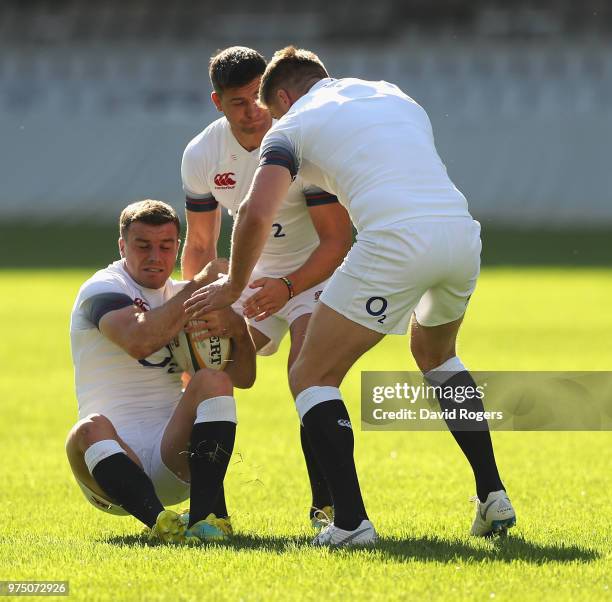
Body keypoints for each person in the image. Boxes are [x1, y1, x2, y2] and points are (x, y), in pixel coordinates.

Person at [184, 47, 517, 546]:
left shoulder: (293, 124)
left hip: (395, 242)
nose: (268, 120)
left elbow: (253, 213)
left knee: (311, 374)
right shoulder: (392, 94)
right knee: (436, 354)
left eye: (271, 109)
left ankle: (349, 523)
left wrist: (232, 285)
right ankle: (493, 496)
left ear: (283, 97)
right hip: (461, 235)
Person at [180, 46, 352, 528]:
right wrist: (190, 311)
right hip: (248, 279)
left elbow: (336, 241)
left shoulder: (296, 139)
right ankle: (210, 515)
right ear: (218, 103)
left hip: (311, 275)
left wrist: (288, 285)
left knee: (309, 373)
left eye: (259, 97)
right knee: (206, 368)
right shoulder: (202, 154)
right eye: (239, 102)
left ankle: (329, 510)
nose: (254, 111)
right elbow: (199, 244)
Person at [66, 200, 256, 544]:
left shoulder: (183, 295)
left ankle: (205, 520)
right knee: (89, 428)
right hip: (108, 473)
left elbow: (243, 378)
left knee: (213, 380)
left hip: (174, 458)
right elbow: (139, 340)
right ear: (122, 246)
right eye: (143, 246)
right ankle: (163, 524)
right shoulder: (102, 289)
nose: (155, 256)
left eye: (166, 246)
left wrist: (238, 329)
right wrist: (201, 284)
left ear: (177, 247)